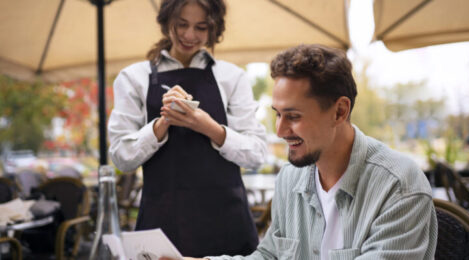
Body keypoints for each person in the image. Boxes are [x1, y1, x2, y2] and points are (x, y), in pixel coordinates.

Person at [171, 44, 438, 260]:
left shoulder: (399, 187)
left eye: (293, 116)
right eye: (277, 115)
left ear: (339, 111)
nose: (279, 130)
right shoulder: (291, 178)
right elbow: (270, 256)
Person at [107, 0, 267, 257]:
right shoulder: (132, 78)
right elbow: (121, 157)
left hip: (227, 224)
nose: (189, 35)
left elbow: (257, 154)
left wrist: (210, 127)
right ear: (166, 21)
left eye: (201, 27)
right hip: (163, 225)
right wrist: (163, 123)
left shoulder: (232, 77)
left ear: (214, 29)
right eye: (181, 24)